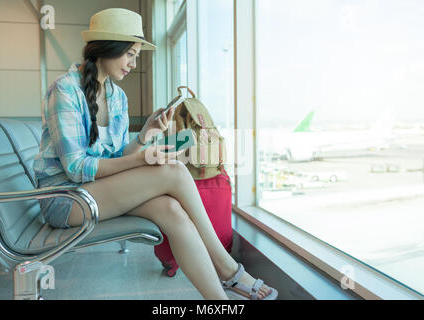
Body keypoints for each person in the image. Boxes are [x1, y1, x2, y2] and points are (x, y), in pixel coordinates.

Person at [33, 8, 277, 300]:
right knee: (173, 171)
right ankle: (227, 269)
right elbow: (75, 168)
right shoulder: (65, 91)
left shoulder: (117, 96)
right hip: (66, 200)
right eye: (130, 54)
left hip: (96, 193)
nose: (134, 64)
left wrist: (145, 135)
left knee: (172, 211)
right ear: (107, 48)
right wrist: (139, 159)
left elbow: (117, 155)